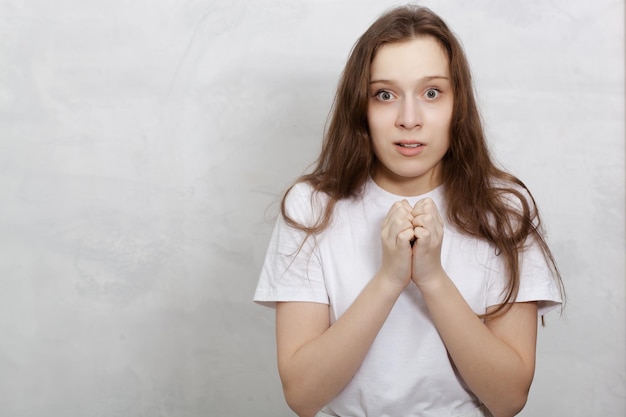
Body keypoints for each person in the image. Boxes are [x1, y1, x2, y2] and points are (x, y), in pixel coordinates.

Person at [254, 5, 564, 417]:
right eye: (385, 95)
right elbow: (303, 395)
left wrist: (432, 278)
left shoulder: (503, 211)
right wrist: (389, 279)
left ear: (459, 104)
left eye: (431, 93)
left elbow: (508, 399)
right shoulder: (312, 207)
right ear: (361, 108)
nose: (409, 119)